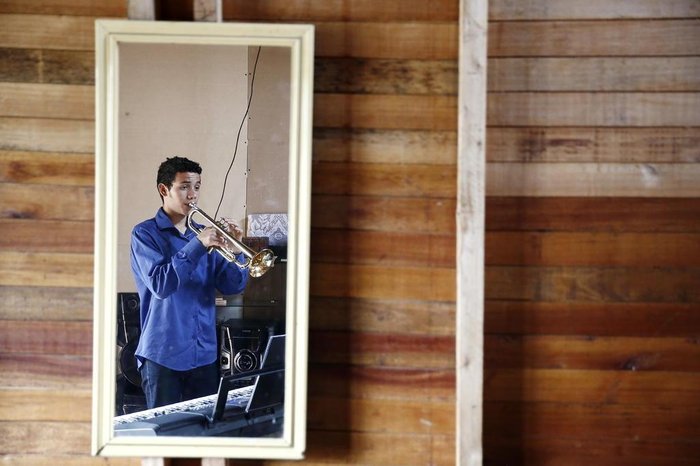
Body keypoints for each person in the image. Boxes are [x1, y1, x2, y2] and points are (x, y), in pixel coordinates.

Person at [130, 156, 249, 409]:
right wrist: (198, 246)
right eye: (184, 186)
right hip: (163, 355)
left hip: (204, 353)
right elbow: (161, 286)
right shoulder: (144, 234)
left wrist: (235, 250)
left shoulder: (205, 234)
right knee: (165, 438)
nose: (192, 195)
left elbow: (233, 286)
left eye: (197, 187)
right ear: (164, 190)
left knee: (202, 434)